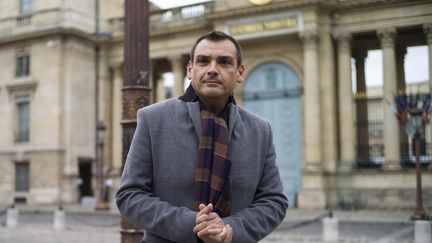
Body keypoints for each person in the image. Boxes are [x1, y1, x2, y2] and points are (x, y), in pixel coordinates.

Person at [116, 30, 288, 243]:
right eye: (203, 61)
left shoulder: (260, 130)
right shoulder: (153, 119)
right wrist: (193, 224)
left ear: (240, 72)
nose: (212, 69)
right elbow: (130, 194)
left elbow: (273, 201)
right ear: (190, 69)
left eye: (224, 62)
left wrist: (230, 228)